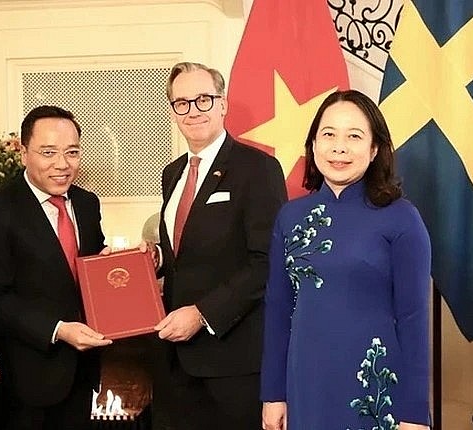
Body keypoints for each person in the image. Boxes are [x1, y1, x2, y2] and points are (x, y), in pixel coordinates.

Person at [261, 90, 431, 430]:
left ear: (374, 150)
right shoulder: (291, 217)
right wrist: (273, 394)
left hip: (377, 389)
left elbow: (414, 319)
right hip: (305, 385)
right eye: (328, 135)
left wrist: (414, 413)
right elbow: (278, 310)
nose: (339, 147)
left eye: (354, 136)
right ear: (312, 145)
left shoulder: (401, 218)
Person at [152, 61, 287, 430]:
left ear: (223, 104)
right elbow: (187, 250)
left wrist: (202, 314)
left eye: (203, 100)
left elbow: (266, 262)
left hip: (232, 361)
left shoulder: (258, 169)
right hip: (174, 359)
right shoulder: (173, 172)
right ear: (172, 111)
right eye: (182, 102)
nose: (192, 110)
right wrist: (157, 257)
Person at [0, 105, 113, 430]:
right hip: (23, 380)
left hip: (81, 371)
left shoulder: (87, 204)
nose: (62, 164)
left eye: (72, 152)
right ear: (23, 153)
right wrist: (58, 329)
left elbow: (87, 274)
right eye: (48, 152)